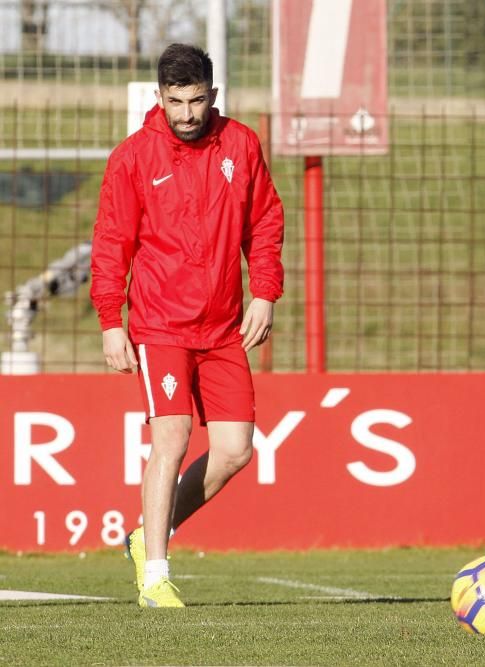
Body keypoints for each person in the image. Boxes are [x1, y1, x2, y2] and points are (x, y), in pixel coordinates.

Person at [90, 43, 284, 608]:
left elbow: (265, 220)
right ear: (159, 98)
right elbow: (111, 243)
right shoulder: (132, 158)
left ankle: (143, 534)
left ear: (213, 96)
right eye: (175, 102)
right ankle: (155, 575)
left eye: (197, 100)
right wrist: (111, 320)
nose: (187, 114)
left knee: (235, 450)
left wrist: (264, 292)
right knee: (171, 438)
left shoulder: (241, 144)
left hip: (224, 326)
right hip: (160, 325)